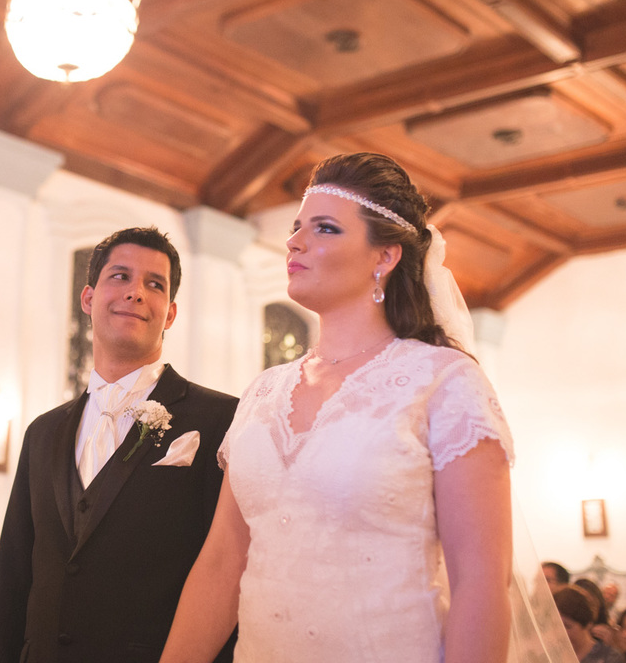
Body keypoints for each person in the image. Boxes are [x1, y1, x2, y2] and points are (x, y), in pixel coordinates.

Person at [159, 153, 514, 663]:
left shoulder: (443, 382)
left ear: (384, 257)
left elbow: (481, 581)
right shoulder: (263, 392)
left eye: (324, 228)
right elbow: (222, 561)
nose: (295, 242)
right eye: (296, 227)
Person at [0, 227, 239, 663]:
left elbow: (228, 569)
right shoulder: (42, 432)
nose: (136, 292)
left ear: (170, 313)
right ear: (88, 298)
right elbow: (13, 578)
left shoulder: (220, 419)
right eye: (120, 276)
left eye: (155, 285)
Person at [555, 587, 625, 663]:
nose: (560, 632)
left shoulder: (609, 657)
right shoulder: (553, 651)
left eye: (567, 626)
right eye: (556, 625)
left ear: (587, 625)